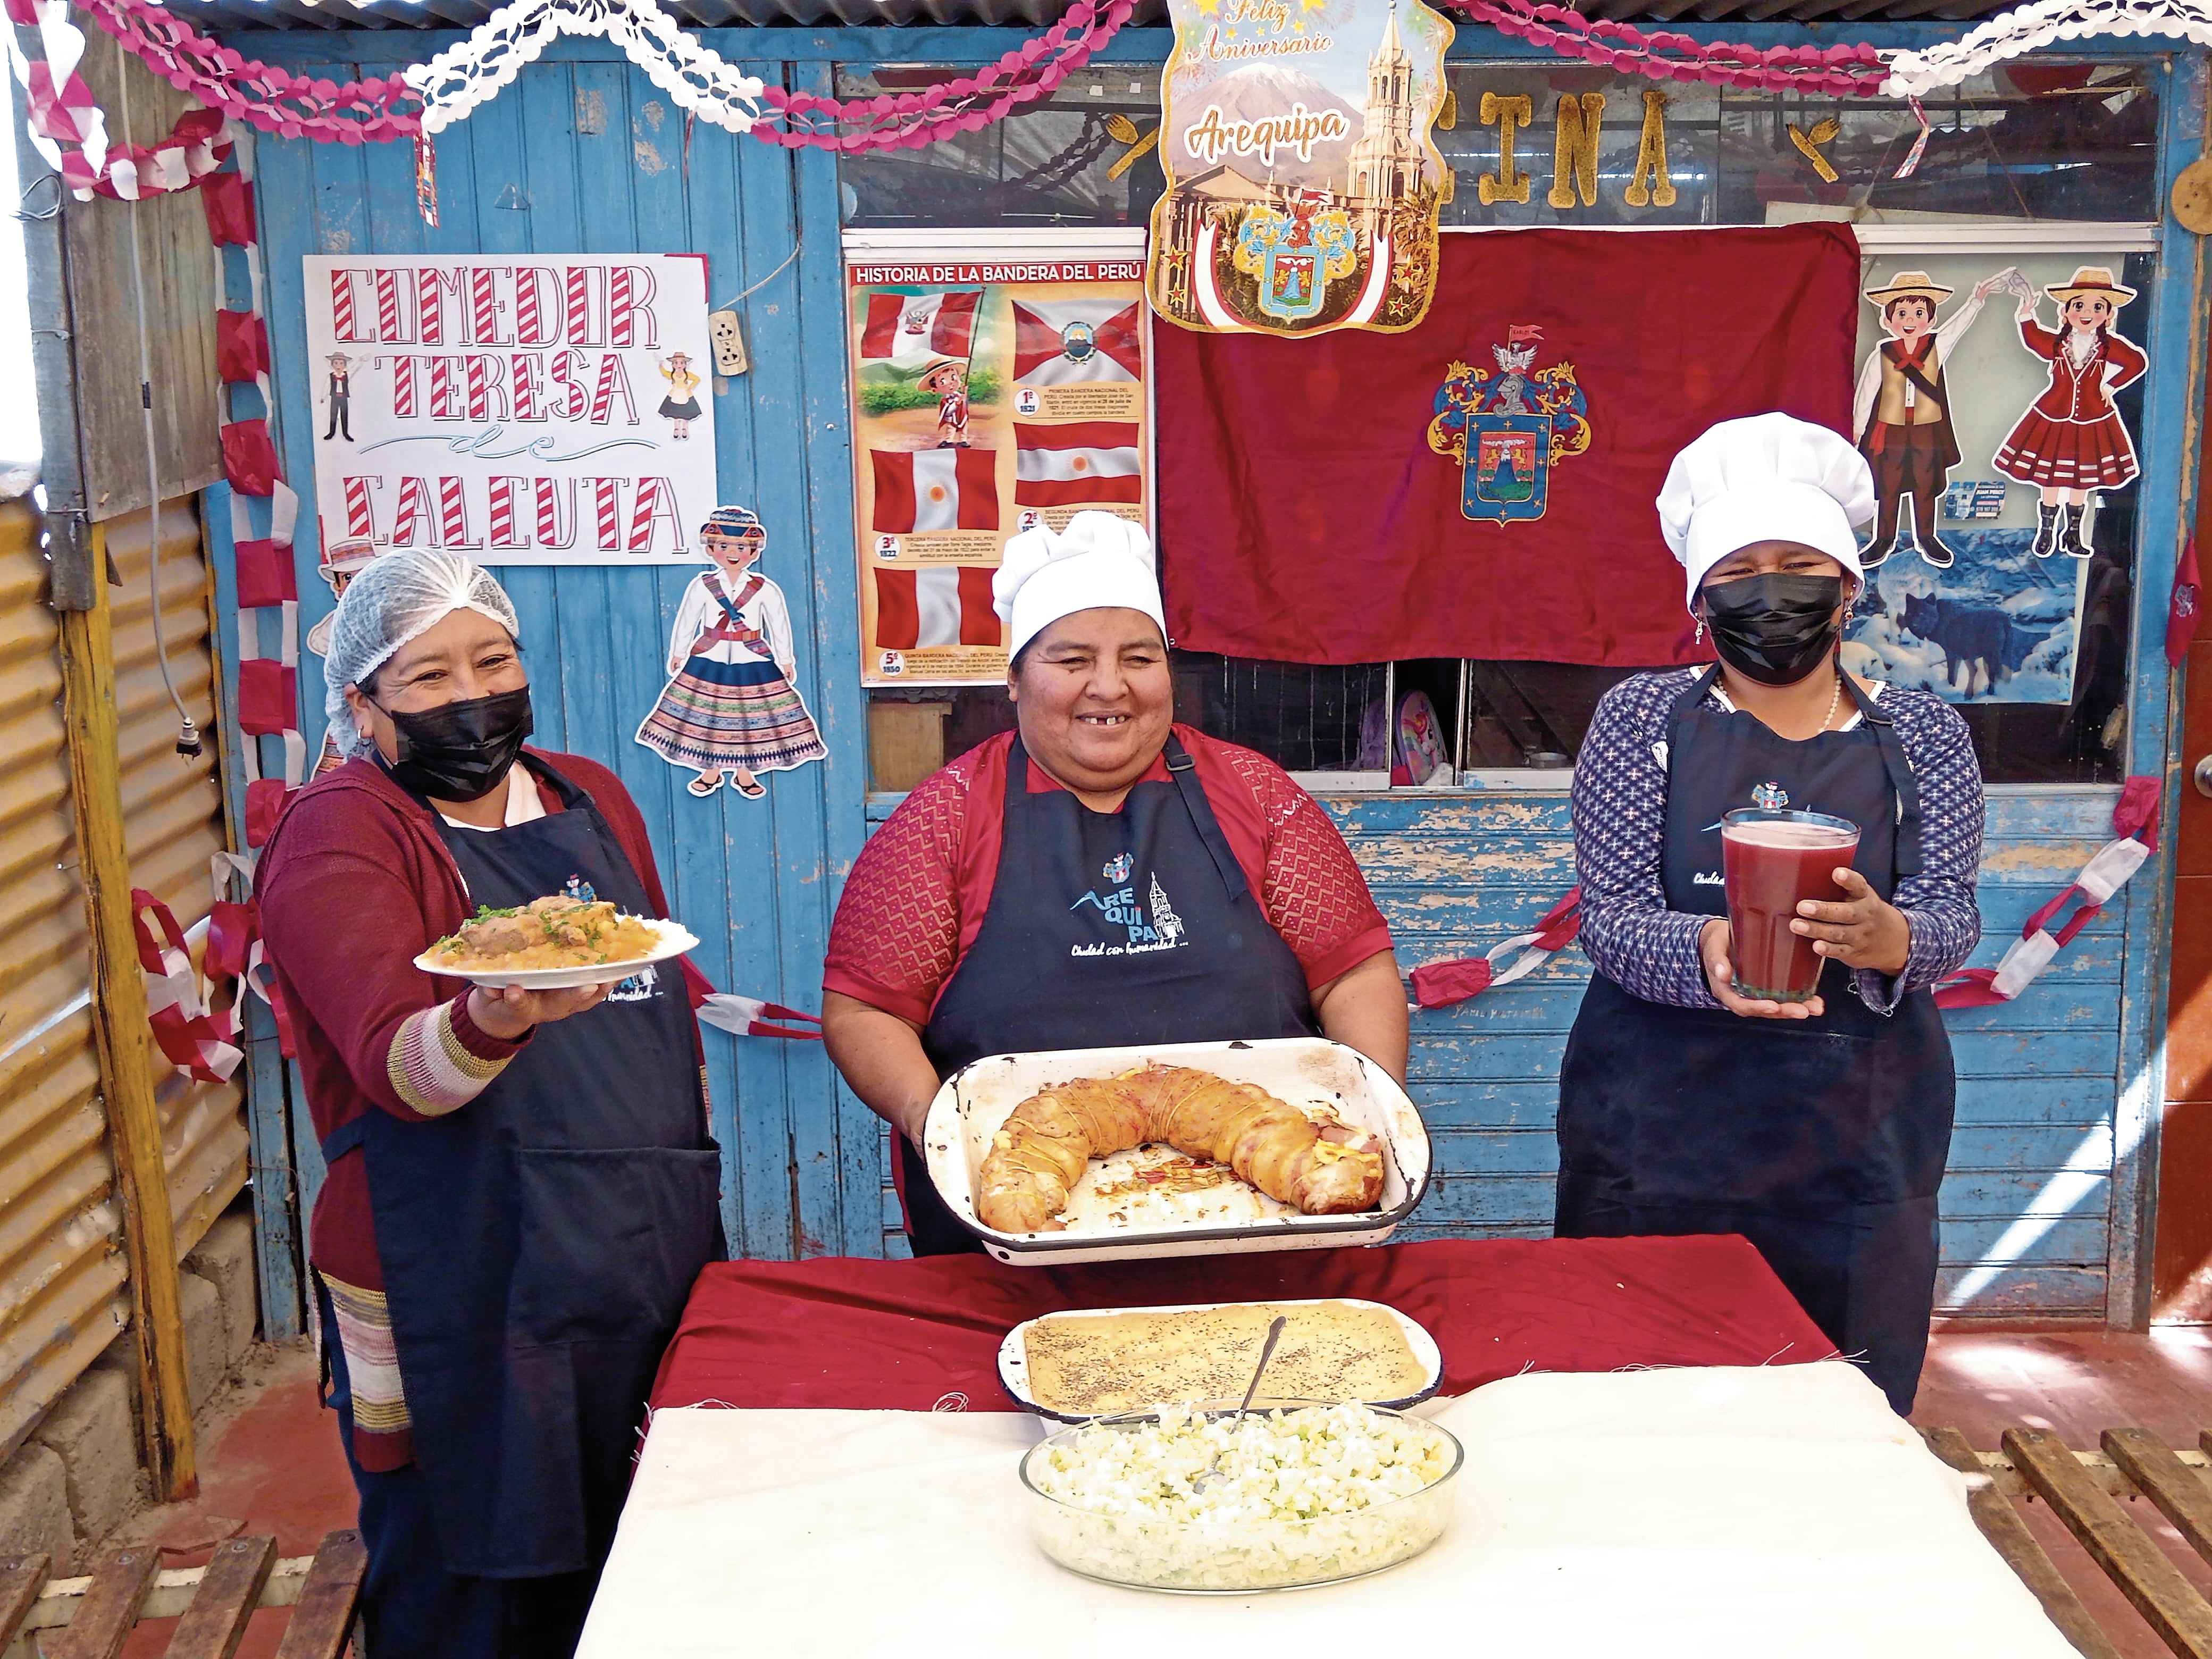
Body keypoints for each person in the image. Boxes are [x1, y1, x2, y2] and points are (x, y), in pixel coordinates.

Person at [257, 549, 723, 1658]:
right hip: (453, 1270)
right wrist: (499, 1016)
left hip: (628, 1244)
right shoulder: (340, 831)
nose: (471, 697)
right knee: (468, 1579)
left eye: (492, 660)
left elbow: (651, 999)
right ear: (362, 705)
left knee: (640, 1547)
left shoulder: (585, 794)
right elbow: (398, 1071)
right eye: (426, 679)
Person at [820, 512, 1407, 1255]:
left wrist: (1365, 1120)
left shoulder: (1254, 791)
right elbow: (866, 1009)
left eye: (1139, 657)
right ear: (1014, 679)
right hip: (1015, 1218)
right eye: (1070, 661)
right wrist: (946, 1131)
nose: (1110, 686)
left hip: (1266, 1215)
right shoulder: (948, 813)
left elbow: (1353, 971)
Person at [1555, 413, 1984, 1415]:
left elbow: (1952, 912)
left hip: (1859, 1125)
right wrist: (1703, 949)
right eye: (1741, 570)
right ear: (1703, 597)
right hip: (1658, 1123)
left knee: (1843, 1401)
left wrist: (1899, 941)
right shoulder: (1642, 719)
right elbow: (1609, 918)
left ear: (1849, 587)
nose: (1771, 589)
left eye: (1799, 564)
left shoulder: (1923, 731)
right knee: (1640, 1392)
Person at [634, 505, 826, 799]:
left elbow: (779, 625)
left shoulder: (764, 588)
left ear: (754, 552)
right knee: (707, 717)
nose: (733, 553)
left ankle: (745, 772)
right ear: (711, 549)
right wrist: (679, 651)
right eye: (724, 546)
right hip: (709, 660)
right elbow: (688, 618)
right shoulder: (703, 586)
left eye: (741, 547)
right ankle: (710, 770)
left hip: (753, 661)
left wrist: (785, 659)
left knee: (748, 719)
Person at [1851, 269, 2008, 569]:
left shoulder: (1936, 347)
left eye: (1918, 312)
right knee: (1888, 485)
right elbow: (1867, 392)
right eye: (1902, 313)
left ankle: (1927, 537)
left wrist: (1977, 300)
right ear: (1888, 320)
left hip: (1926, 430)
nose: (1910, 320)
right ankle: (1884, 538)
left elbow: (1957, 328)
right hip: (1891, 430)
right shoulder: (1882, 354)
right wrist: (1858, 430)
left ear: (1931, 319)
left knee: (1925, 483)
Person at [1992, 266, 2147, 560]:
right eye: (2080, 305)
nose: (2087, 312)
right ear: (2067, 311)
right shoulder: (2058, 344)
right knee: (2050, 478)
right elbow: (2033, 338)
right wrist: (2026, 310)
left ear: (2108, 314)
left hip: (2092, 419)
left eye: (2097, 307)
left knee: (2082, 480)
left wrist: (2111, 385)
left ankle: (2073, 533)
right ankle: (2047, 530)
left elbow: (2136, 362)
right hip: (2054, 415)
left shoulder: (2107, 346)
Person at [657, 350, 702, 440]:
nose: (679, 365)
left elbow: (697, 379)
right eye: (676, 363)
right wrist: (661, 365)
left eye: (682, 363)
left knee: (685, 413)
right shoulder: (673, 375)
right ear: (673, 365)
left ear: (685, 365)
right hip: (675, 394)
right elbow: (665, 373)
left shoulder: (687, 375)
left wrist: (690, 387)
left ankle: (685, 429)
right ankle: (677, 429)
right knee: (676, 414)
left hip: (685, 394)